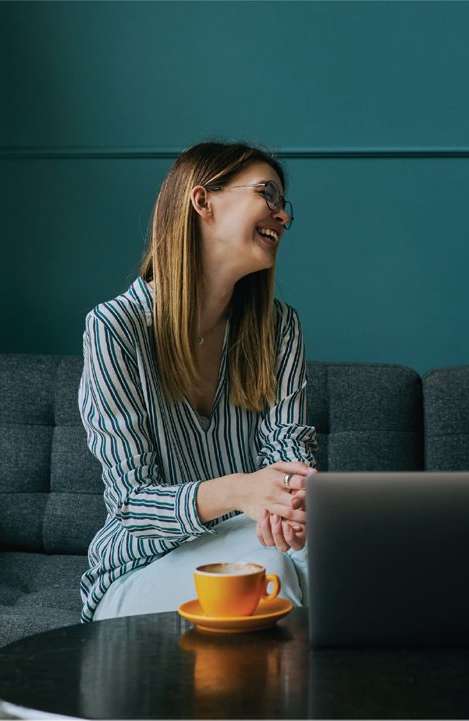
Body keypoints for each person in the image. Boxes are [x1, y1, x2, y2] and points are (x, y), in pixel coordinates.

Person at [78, 141, 316, 622]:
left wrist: (295, 502)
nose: (282, 216)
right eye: (267, 195)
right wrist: (241, 491)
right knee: (268, 572)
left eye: (284, 204)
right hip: (141, 567)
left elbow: (289, 458)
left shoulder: (279, 328)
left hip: (256, 545)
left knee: (328, 555)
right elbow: (131, 503)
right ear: (203, 201)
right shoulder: (114, 328)